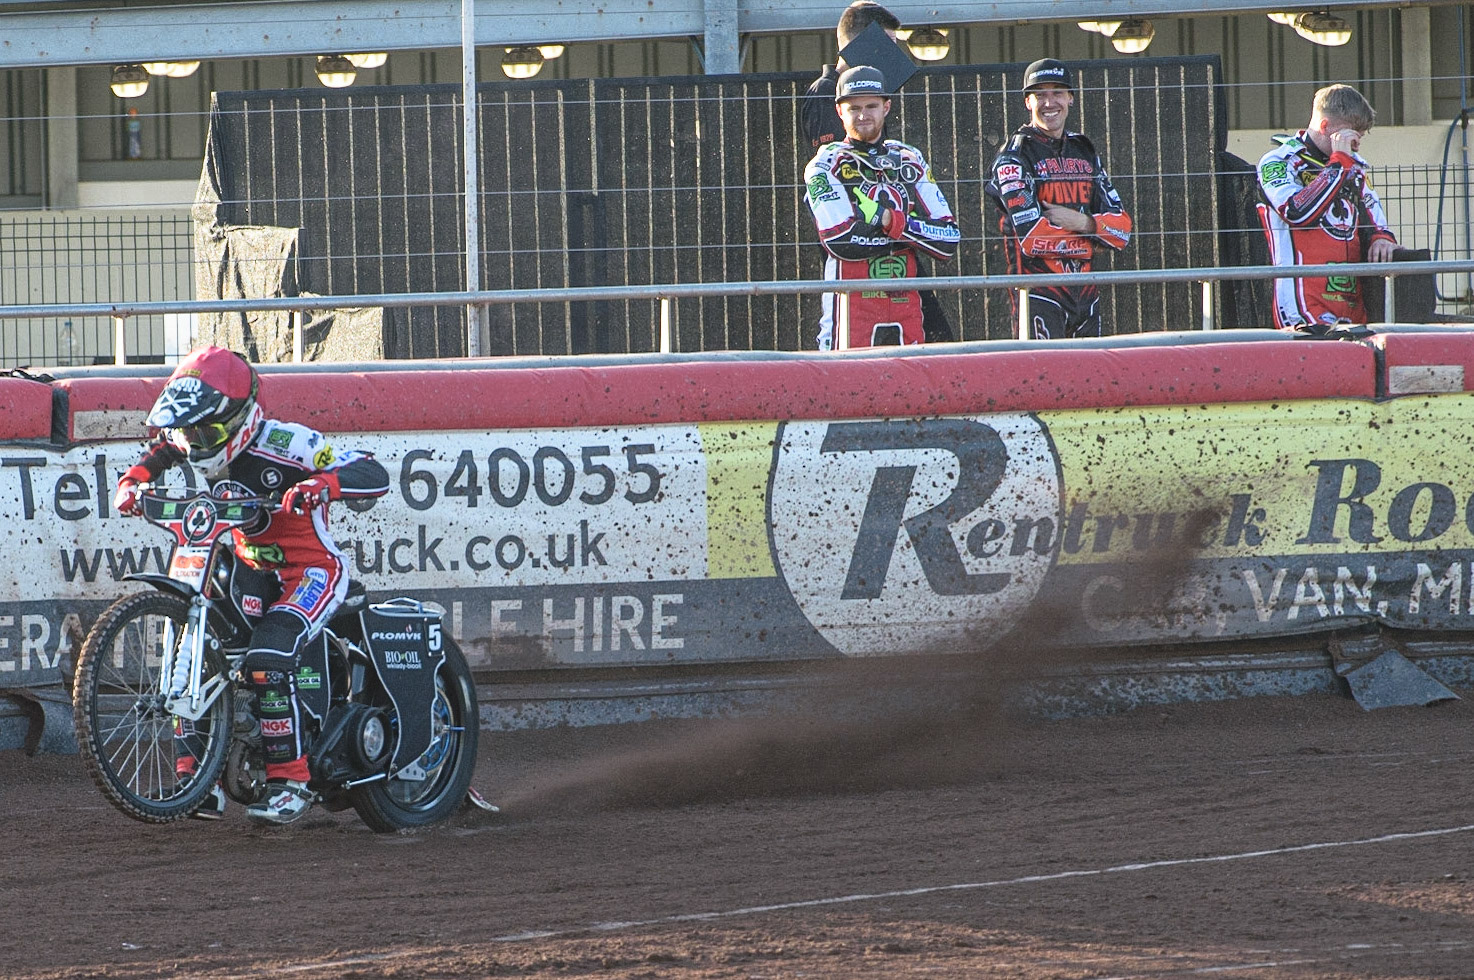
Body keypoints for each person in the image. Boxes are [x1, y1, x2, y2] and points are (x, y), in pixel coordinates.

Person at [113, 346, 390, 825]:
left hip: (311, 572)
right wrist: (133, 481)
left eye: (207, 432)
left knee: (267, 661)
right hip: (249, 571)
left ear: (242, 416)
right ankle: (200, 779)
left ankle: (292, 781)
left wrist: (322, 485)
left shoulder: (288, 443)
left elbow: (371, 469)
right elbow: (163, 447)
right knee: (198, 653)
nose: (196, 443)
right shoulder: (194, 436)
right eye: (191, 432)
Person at [803, 1, 954, 344]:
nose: (863, 115)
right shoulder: (826, 91)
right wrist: (894, 226)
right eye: (890, 43)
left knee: (935, 343)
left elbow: (947, 235)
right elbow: (844, 195)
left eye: (872, 106)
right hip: (853, 253)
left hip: (898, 249)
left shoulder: (905, 153)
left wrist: (901, 224)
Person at [985, 59, 1133, 339]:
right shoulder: (1014, 156)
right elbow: (1031, 239)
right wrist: (1093, 243)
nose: (1049, 102)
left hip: (1086, 295)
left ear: (1070, 98)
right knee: (1043, 378)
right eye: (1040, 94)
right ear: (1028, 102)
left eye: (1057, 93)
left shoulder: (1084, 150)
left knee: (1090, 379)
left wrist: (1083, 222)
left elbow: (1123, 230)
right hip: (1039, 293)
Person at [1256, 84, 1398, 332]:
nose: (1355, 146)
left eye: (1358, 139)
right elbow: (1295, 212)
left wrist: (1382, 237)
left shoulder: (1350, 166)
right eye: (1349, 137)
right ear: (1325, 127)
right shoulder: (1278, 160)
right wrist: (1338, 165)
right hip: (1302, 303)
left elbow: (1372, 207)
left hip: (1351, 300)